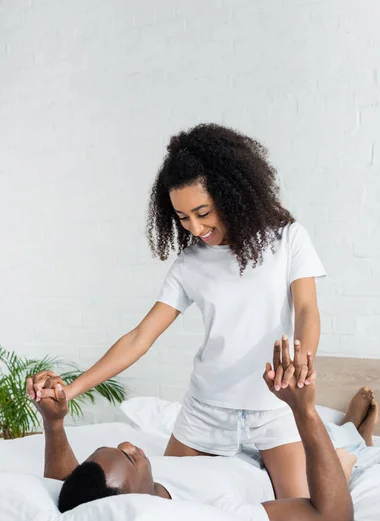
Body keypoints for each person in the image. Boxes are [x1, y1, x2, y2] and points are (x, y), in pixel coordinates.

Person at [28, 123, 327, 500]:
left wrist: (301, 358)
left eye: (203, 212)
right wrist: (71, 390)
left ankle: (349, 450)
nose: (196, 227)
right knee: (151, 499)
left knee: (308, 509)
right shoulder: (190, 263)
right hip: (205, 411)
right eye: (183, 217)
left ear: (231, 194)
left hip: (273, 405)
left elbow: (306, 307)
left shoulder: (287, 240)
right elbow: (141, 336)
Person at [31, 340, 380, 521]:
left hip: (231, 446)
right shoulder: (209, 517)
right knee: (340, 453)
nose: (130, 444)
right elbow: (332, 518)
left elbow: (70, 487)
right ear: (130, 503)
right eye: (130, 457)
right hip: (268, 477)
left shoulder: (108, 493)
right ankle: (355, 433)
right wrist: (303, 410)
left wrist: (54, 422)